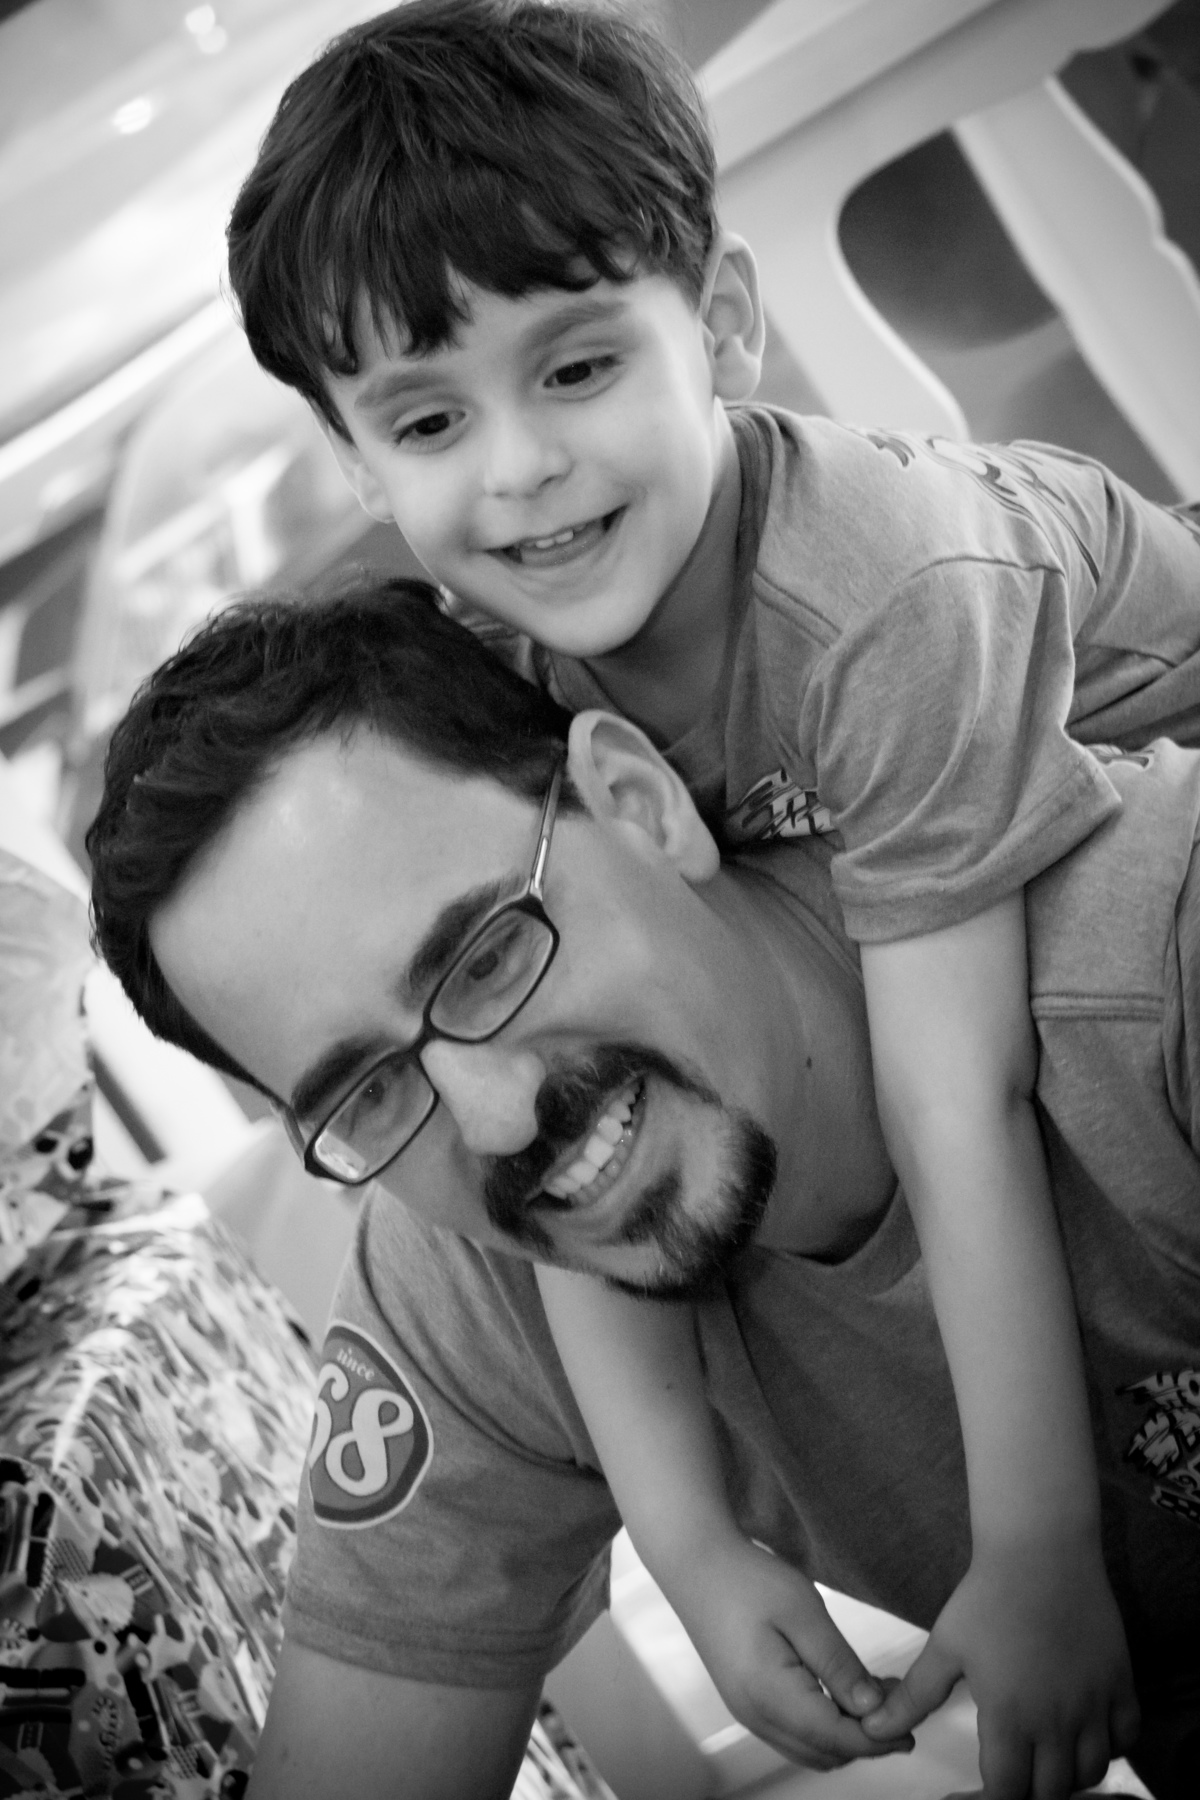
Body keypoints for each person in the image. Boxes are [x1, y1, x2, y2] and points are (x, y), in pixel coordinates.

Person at [223, 3, 1200, 1791]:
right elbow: (582, 1200)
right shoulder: (507, 661)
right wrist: (691, 1544)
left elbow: (954, 1095)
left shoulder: (888, 597)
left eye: (578, 368)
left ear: (726, 324)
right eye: (428, 418)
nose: (519, 469)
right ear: (357, 461)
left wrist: (1038, 1548)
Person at [86, 583, 1200, 1800]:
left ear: (639, 802)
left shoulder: (1152, 967)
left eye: (489, 956)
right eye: (369, 1091)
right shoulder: (468, 1281)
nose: (498, 1120)